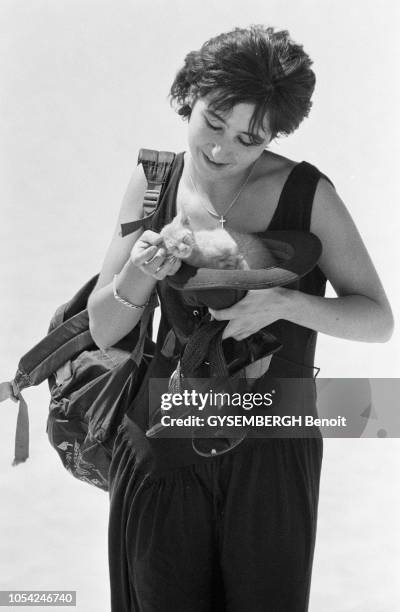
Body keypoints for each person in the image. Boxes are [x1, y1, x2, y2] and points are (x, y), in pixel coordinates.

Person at [87, 25, 394, 612]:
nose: (223, 148)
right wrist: (143, 269)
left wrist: (286, 303)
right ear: (190, 96)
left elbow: (378, 320)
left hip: (276, 449)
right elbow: (105, 329)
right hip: (162, 446)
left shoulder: (308, 194)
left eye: (249, 138)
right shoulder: (155, 182)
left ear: (273, 135)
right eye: (213, 121)